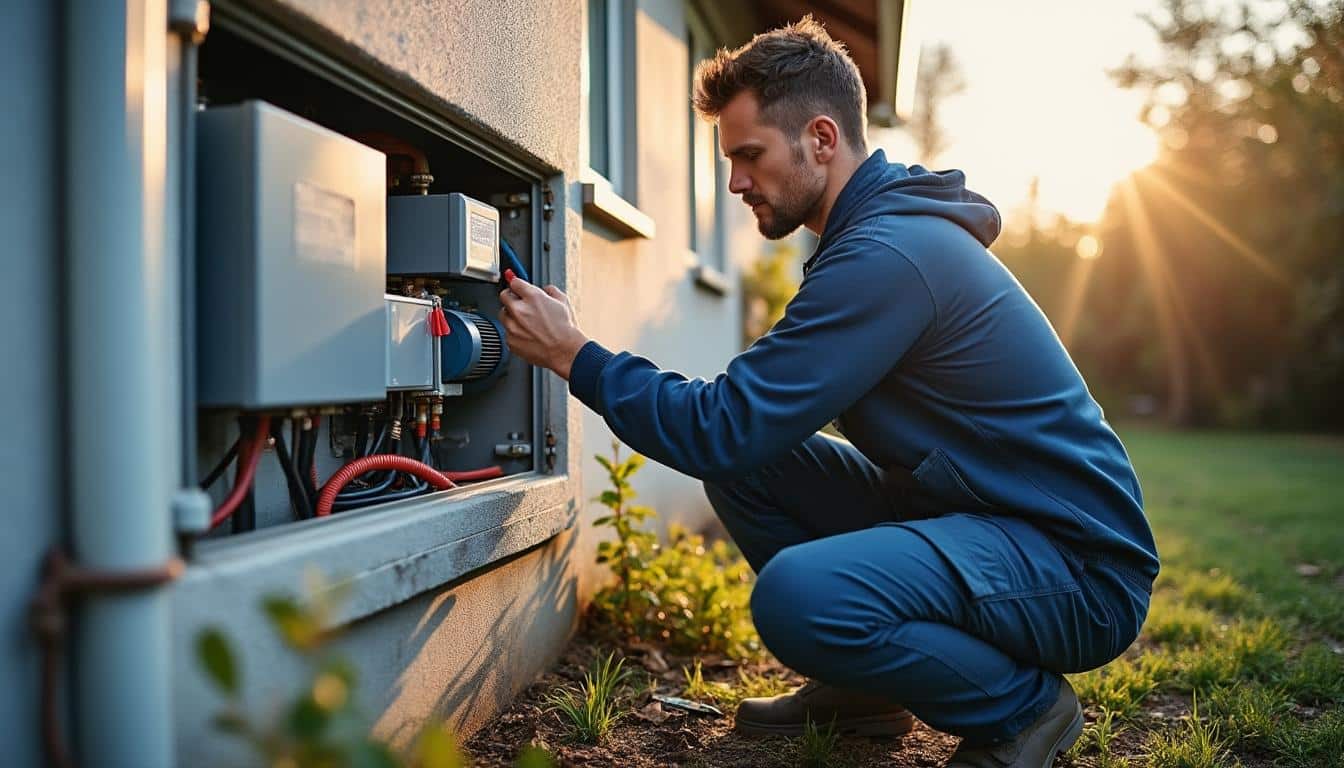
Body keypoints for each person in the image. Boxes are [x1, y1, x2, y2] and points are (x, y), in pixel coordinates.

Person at [496, 17, 1157, 768]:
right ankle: (865, 691)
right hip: (980, 518)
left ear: (820, 138)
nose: (737, 182)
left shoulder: (887, 257)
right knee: (753, 464)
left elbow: (721, 423)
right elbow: (745, 431)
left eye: (750, 156)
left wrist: (573, 354)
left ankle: (1023, 710)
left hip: (1075, 567)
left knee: (798, 596)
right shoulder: (867, 241)